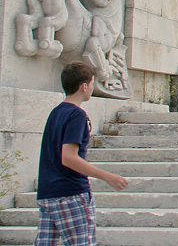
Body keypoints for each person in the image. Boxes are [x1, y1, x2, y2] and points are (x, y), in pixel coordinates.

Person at [34, 61, 129, 246]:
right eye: (92, 83)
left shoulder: (55, 113)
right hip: (71, 193)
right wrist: (107, 176)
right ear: (84, 86)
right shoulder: (77, 115)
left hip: (48, 194)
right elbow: (68, 157)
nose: (92, 87)